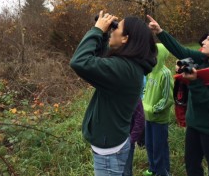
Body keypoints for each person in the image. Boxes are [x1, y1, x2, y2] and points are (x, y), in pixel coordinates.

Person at [70, 10, 157, 175]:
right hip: (114, 140)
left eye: (117, 27)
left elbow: (79, 62)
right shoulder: (129, 65)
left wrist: (97, 30)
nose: (113, 30)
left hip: (109, 151)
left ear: (125, 38)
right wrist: (103, 36)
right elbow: (102, 61)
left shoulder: (124, 69)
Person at [147, 15, 209, 176]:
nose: (203, 42)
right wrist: (160, 32)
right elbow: (181, 51)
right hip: (194, 126)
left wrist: (194, 82)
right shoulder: (204, 60)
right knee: (192, 167)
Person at [142, 43, 174, 176]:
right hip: (147, 116)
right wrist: (144, 103)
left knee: (159, 146)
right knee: (149, 144)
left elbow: (168, 98)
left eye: (153, 53)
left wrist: (154, 109)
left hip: (159, 118)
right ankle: (153, 168)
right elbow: (145, 89)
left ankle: (162, 171)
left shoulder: (165, 74)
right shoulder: (150, 71)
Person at [123, 76, 146, 176]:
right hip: (114, 142)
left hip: (127, 141)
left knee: (126, 171)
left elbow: (140, 120)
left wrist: (131, 139)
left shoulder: (134, 97)